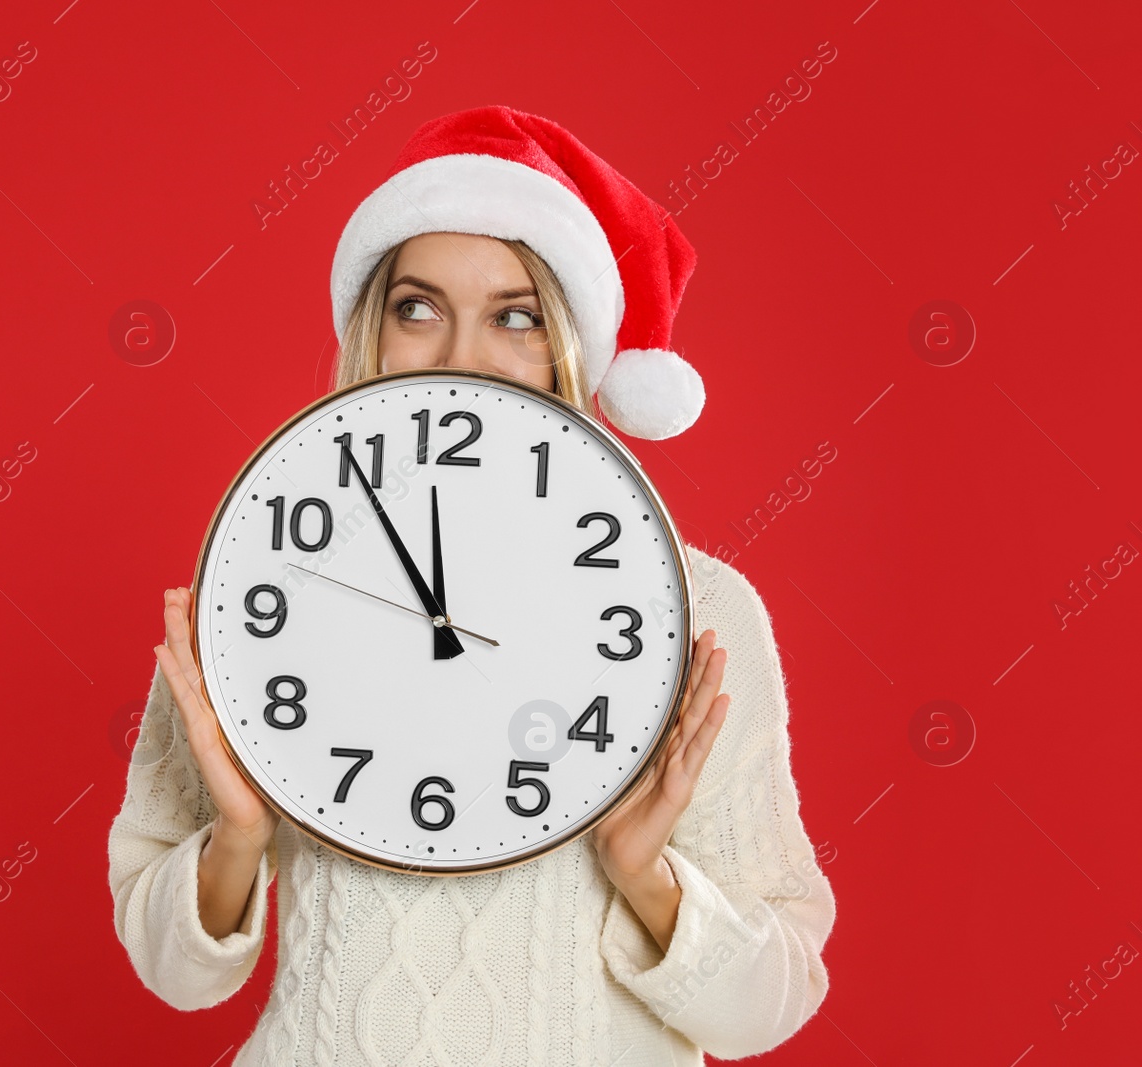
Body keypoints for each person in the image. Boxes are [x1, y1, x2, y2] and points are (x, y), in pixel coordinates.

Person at [108, 105, 835, 1066]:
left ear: (573, 347)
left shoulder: (696, 610)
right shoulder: (261, 578)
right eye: (418, 308)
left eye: (516, 316)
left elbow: (766, 1011)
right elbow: (173, 972)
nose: (461, 357)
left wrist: (645, 875)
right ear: (372, 333)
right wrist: (238, 834)